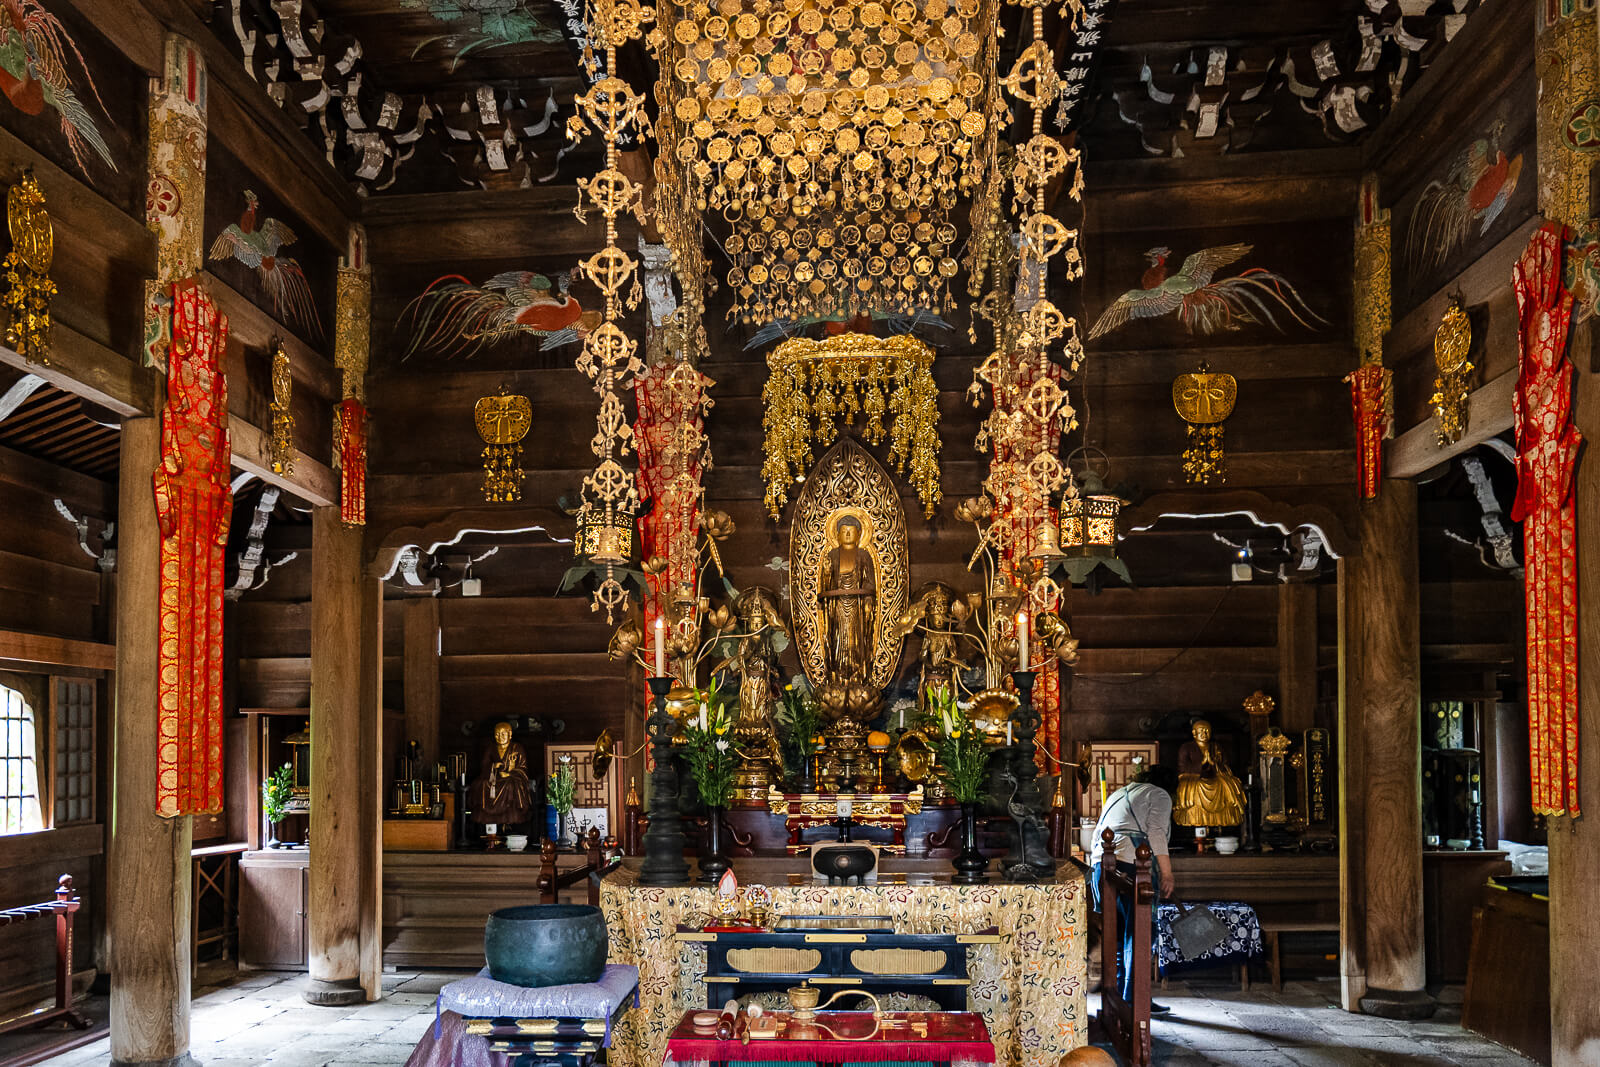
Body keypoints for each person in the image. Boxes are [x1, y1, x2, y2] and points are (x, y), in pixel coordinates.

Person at [1090, 765, 1178, 1013]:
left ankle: (1117, 998)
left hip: (1101, 866)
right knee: (1138, 933)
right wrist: (1168, 873)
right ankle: (1134, 1000)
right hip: (1129, 868)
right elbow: (1157, 833)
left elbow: (1098, 833)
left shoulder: (1118, 794)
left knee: (1115, 935)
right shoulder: (1159, 794)